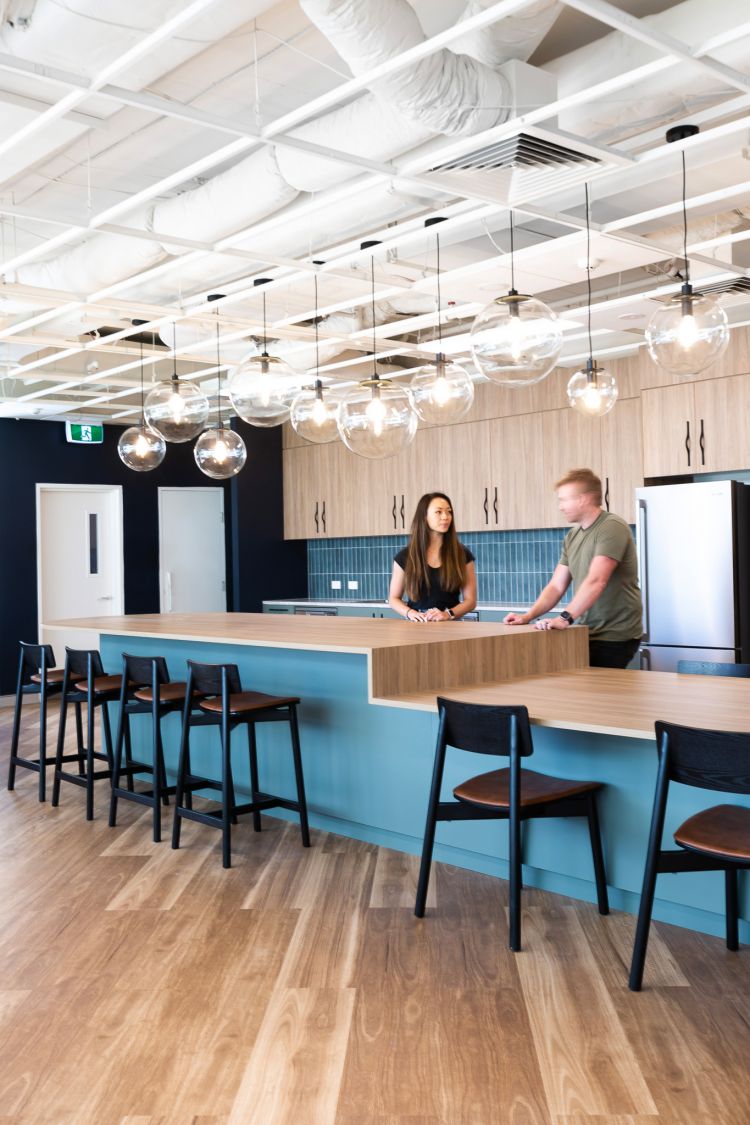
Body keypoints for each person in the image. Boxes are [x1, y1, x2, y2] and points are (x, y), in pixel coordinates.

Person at [504, 468, 643, 668]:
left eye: (564, 499)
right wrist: (527, 616)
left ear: (583, 499)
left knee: (595, 696)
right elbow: (556, 586)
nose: (560, 507)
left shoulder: (612, 527)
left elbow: (597, 580)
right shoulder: (572, 535)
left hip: (615, 635)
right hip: (586, 631)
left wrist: (565, 617)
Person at [389, 492, 477, 622]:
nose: (446, 517)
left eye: (449, 512)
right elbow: (394, 598)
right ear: (424, 517)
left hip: (450, 625)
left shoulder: (462, 555)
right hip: (416, 625)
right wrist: (411, 613)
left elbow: (470, 601)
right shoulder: (405, 557)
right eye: (439, 512)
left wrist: (448, 614)